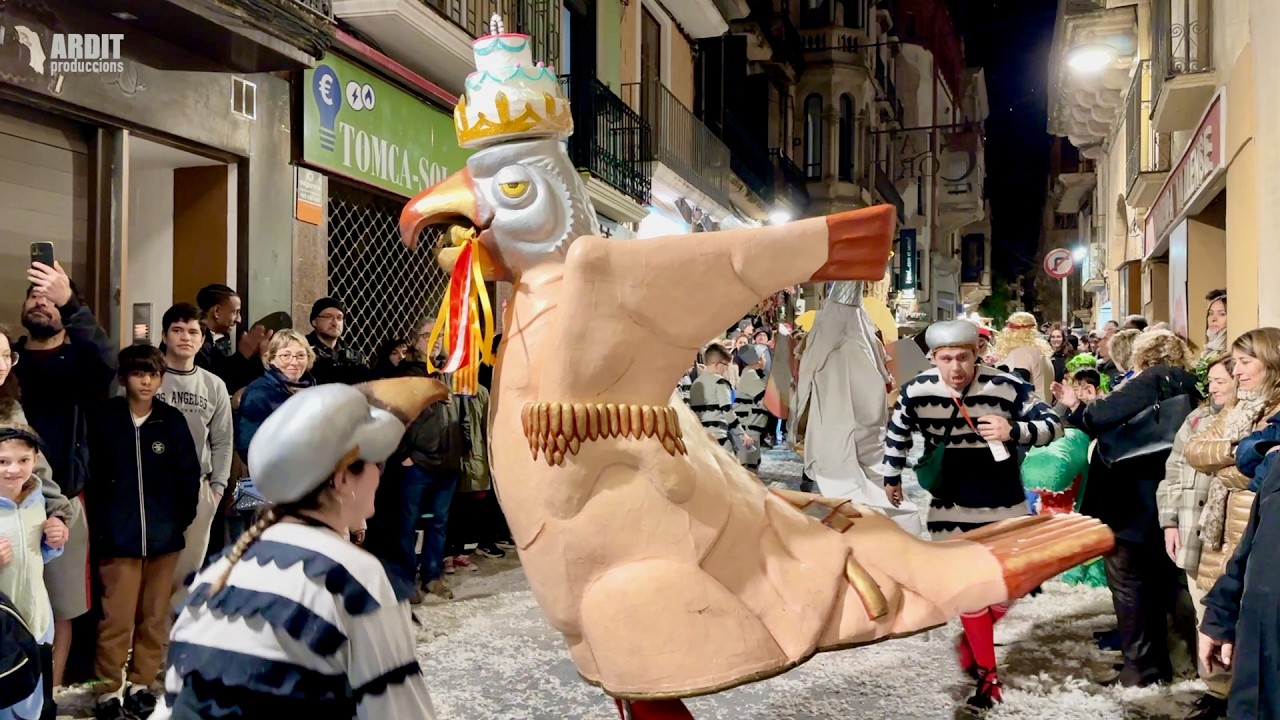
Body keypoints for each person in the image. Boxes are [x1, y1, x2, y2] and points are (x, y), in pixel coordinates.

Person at [150, 380, 443, 719]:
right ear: (343, 477)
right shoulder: (354, 577)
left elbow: (172, 705)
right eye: (376, 465)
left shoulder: (217, 573)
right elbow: (399, 711)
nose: (379, 478)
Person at [883, 320, 1064, 709]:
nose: (955, 368)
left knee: (1013, 582)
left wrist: (1012, 429)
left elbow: (1054, 425)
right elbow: (897, 430)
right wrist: (891, 474)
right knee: (971, 590)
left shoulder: (1006, 385)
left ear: (976, 354)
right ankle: (988, 676)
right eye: (946, 359)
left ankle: (974, 634)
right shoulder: (917, 390)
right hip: (951, 501)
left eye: (962, 357)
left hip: (1004, 497)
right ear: (933, 358)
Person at [1055, 329, 1202, 687]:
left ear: (1143, 356)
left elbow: (1096, 419)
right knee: (1161, 583)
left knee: (1130, 584)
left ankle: (1141, 669)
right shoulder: (1189, 386)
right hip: (1167, 500)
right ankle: (1166, 662)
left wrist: (1078, 404)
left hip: (1131, 499)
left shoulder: (1151, 380)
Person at [87, 345, 201, 720]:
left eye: (153, 374)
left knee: (154, 616)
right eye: (139, 374)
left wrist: (178, 520)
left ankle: (140, 684)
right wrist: (103, 527)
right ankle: (107, 691)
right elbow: (94, 478)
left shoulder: (170, 421)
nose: (147, 381)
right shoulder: (104, 418)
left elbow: (188, 476)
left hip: (163, 539)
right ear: (124, 378)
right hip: (118, 540)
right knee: (116, 618)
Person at [15, 260, 115, 686]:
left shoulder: (80, 360)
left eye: (49, 297)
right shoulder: (8, 362)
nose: (41, 301)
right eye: (34, 294)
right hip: (8, 500)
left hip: (64, 501)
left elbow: (108, 362)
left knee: (63, 604)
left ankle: (52, 692)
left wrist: (71, 302)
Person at [154, 303, 233, 606]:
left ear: (202, 339)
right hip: (152, 486)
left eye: (192, 332)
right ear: (164, 335)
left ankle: (174, 644)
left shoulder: (213, 385)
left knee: (187, 575)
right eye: (177, 330)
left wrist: (217, 488)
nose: (185, 337)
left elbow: (223, 441)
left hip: (198, 488)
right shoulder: (147, 378)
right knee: (152, 573)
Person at [0, 425, 66, 720]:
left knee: (33, 702)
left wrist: (55, 540)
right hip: (2, 629)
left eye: (23, 460)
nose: (13, 470)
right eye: (2, 461)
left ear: (36, 458)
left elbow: (38, 556)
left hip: (36, 616)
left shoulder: (38, 499)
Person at [306, 298, 369, 386]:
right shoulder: (303, 352)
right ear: (314, 321)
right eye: (328, 316)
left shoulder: (355, 357)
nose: (335, 323)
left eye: (339, 318)